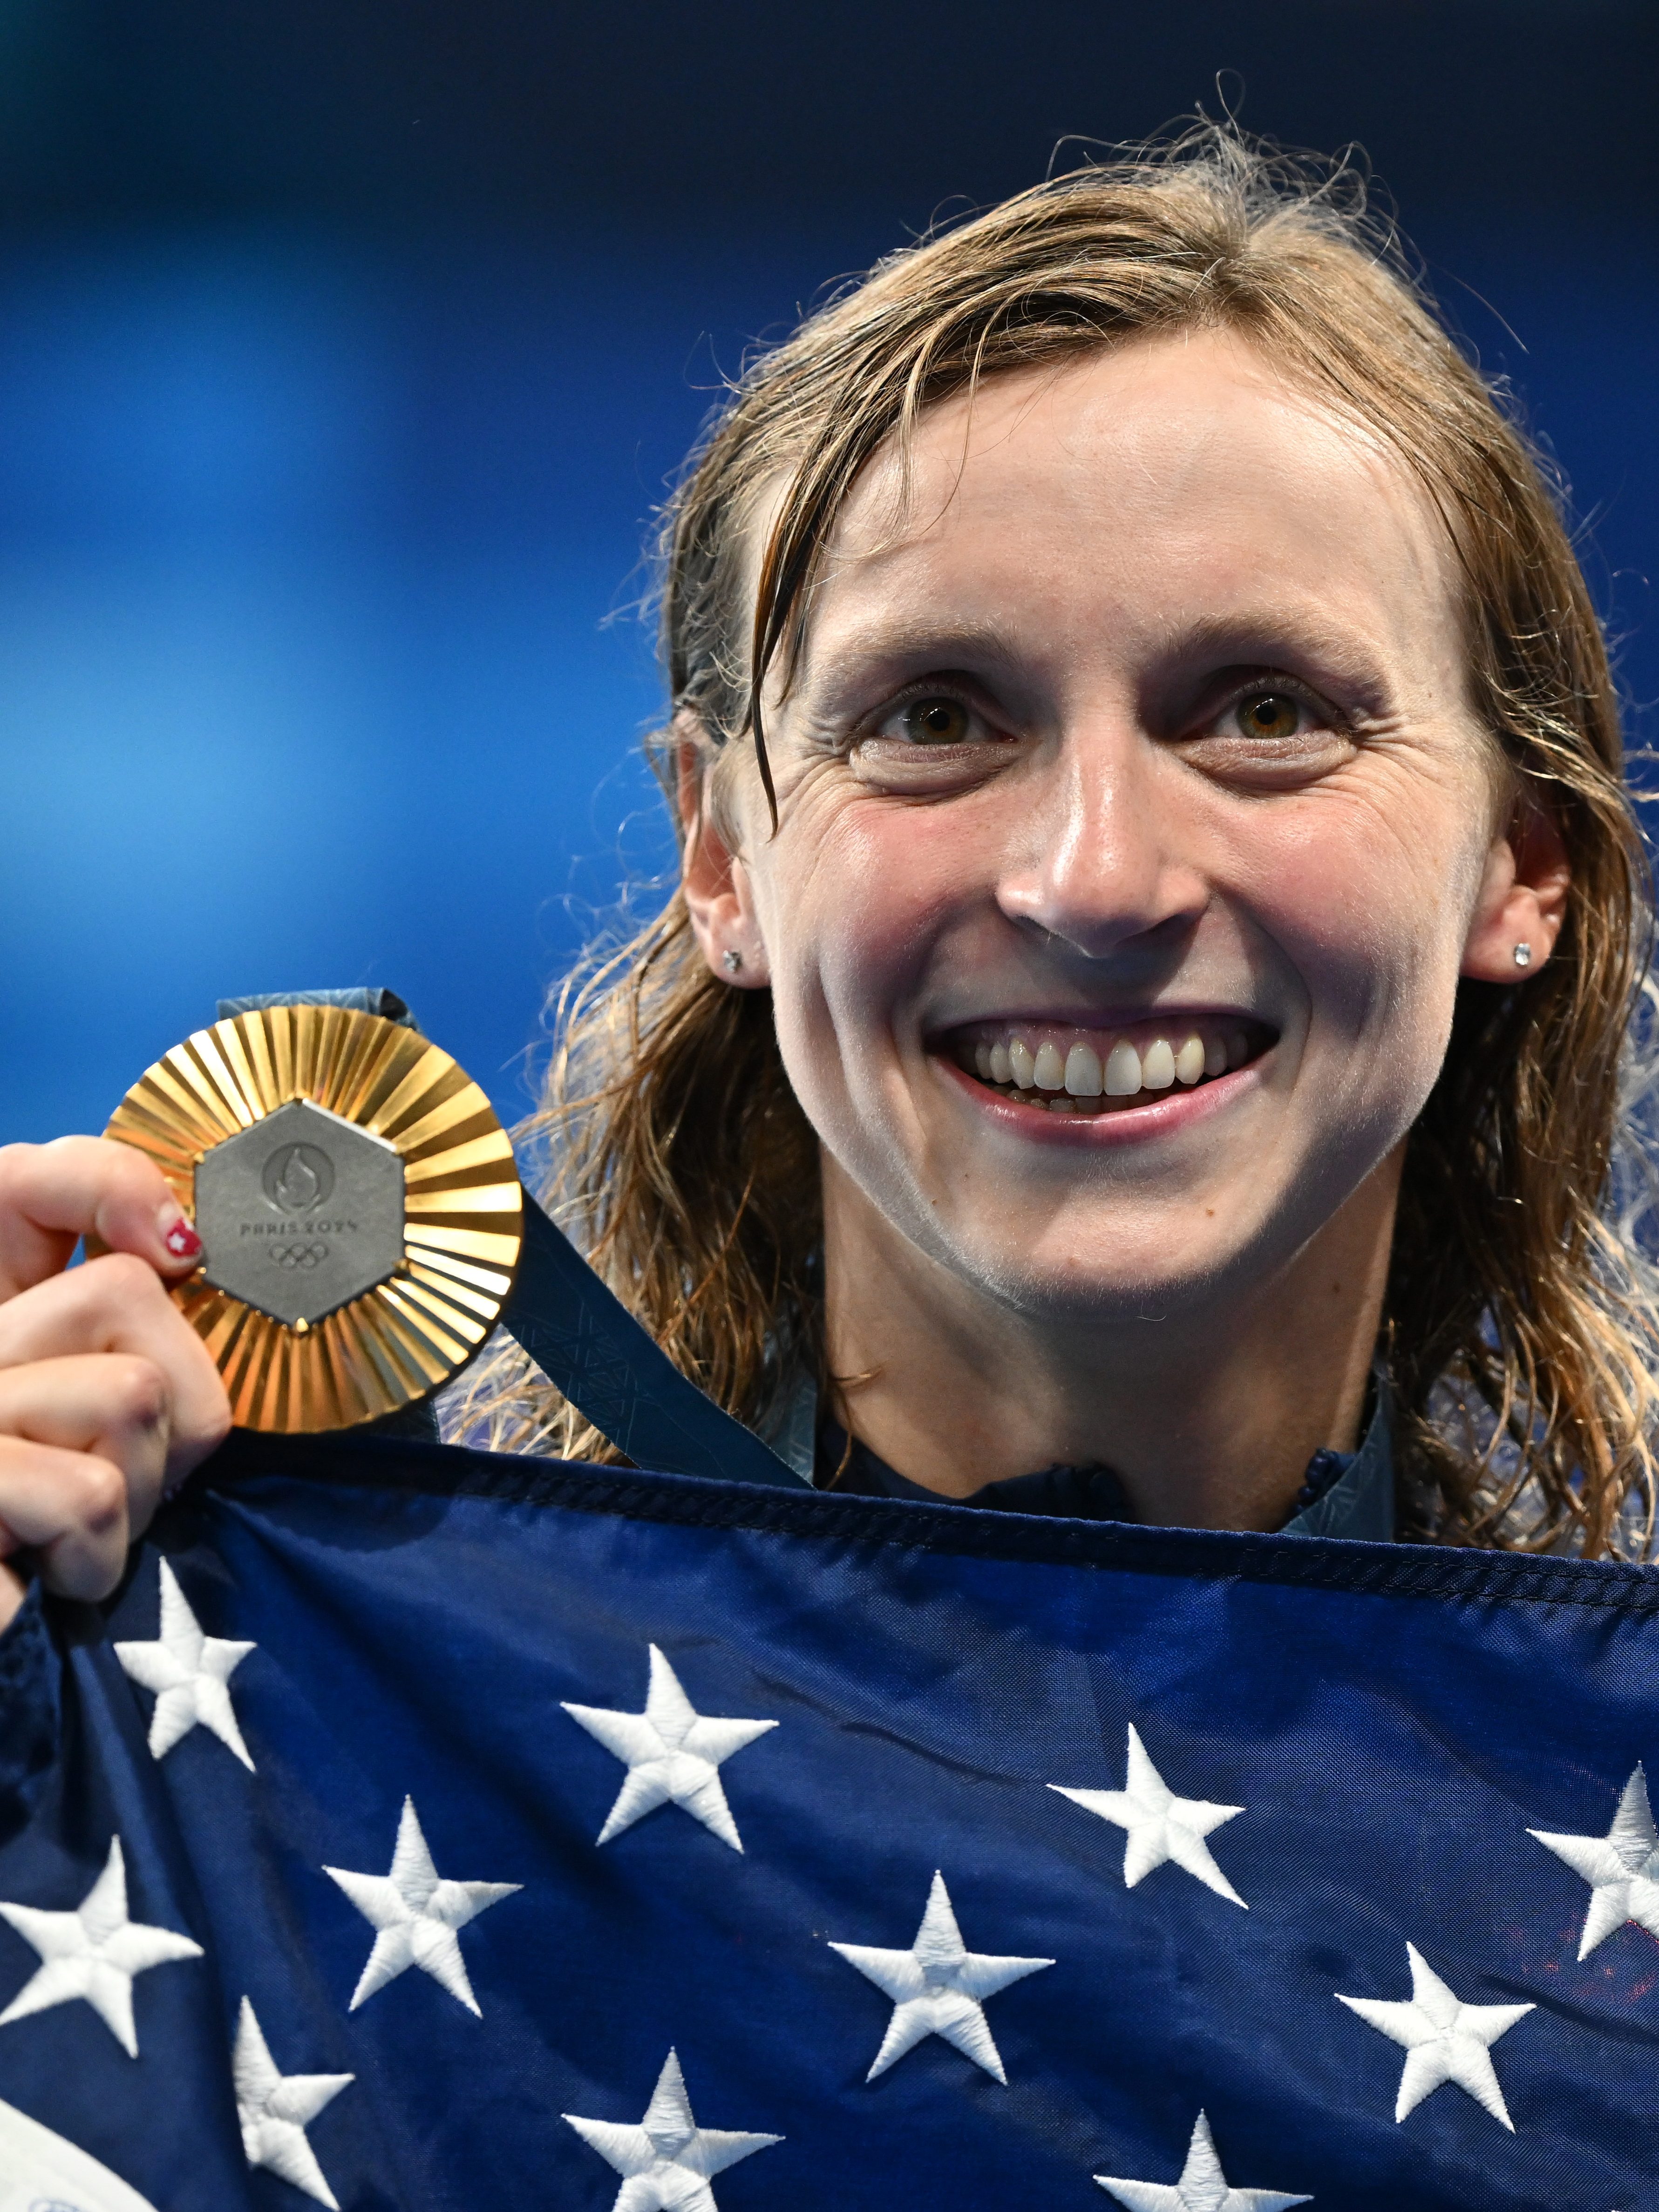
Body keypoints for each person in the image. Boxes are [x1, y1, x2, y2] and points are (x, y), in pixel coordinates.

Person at [0, 126, 1653, 1645]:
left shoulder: (1607, 1822)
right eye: (935, 720)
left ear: (1521, 861)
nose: (1094, 882)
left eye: (1266, 714)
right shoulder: (286, 1695)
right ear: (722, 859)